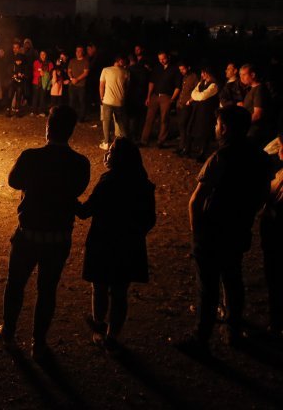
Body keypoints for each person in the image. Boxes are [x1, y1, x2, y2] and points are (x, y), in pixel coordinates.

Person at [0, 105, 90, 360]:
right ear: (71, 131)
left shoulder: (30, 157)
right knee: (47, 290)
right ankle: (38, 344)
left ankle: (9, 333)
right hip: (59, 238)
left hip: (28, 235)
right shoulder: (80, 163)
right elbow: (77, 190)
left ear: (48, 128)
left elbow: (13, 181)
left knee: (16, 284)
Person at [177, 106, 272, 355]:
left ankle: (201, 337)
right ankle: (233, 329)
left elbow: (196, 201)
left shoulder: (221, 158)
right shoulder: (260, 157)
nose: (215, 128)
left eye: (217, 124)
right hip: (239, 228)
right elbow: (263, 194)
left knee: (207, 286)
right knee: (233, 278)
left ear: (225, 128)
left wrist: (195, 233)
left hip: (212, 231)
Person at [76, 138, 156, 353]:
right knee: (120, 292)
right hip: (130, 246)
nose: (107, 155)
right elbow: (150, 219)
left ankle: (99, 324)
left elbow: (85, 211)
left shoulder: (108, 181)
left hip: (104, 243)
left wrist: (66, 197)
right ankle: (112, 336)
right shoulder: (143, 184)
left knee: (100, 285)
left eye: (111, 151)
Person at [259, 142, 283, 339]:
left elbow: (267, 195)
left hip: (276, 231)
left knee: (275, 276)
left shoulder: (280, 177)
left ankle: (277, 322)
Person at [140, 51, 181, 148]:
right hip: (154, 96)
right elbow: (151, 82)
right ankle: (144, 140)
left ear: (168, 57)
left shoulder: (175, 69)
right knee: (149, 118)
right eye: (160, 59)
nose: (162, 61)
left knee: (164, 119)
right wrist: (148, 96)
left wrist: (172, 99)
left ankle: (161, 141)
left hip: (166, 96)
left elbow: (178, 86)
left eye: (163, 58)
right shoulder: (157, 68)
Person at [181, 67, 220, 161]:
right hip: (198, 110)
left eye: (204, 73)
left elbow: (202, 96)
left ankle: (202, 153)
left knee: (204, 132)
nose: (202, 75)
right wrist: (196, 96)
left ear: (208, 74)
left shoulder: (214, 85)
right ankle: (187, 150)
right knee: (191, 128)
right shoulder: (201, 83)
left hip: (206, 112)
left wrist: (197, 96)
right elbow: (193, 93)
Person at [98, 55, 129, 150]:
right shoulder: (126, 72)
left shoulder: (106, 70)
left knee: (106, 121)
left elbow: (102, 85)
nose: (123, 63)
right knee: (120, 121)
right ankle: (126, 141)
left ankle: (106, 142)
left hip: (108, 100)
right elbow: (127, 87)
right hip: (119, 101)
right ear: (118, 61)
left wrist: (101, 97)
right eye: (122, 61)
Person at [239, 63, 271, 147]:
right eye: (240, 75)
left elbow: (257, 115)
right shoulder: (252, 89)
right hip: (251, 130)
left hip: (255, 132)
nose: (241, 77)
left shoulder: (259, 89)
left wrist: (241, 124)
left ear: (252, 75)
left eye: (244, 74)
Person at [175, 62, 199, 155]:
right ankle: (181, 147)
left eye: (183, 69)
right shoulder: (184, 77)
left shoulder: (194, 77)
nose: (181, 71)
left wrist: (190, 100)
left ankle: (186, 147)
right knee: (181, 126)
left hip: (187, 105)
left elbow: (197, 90)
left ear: (188, 67)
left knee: (184, 125)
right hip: (180, 104)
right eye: (180, 69)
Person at [126, 54, 150, 142]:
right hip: (143, 95)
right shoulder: (145, 70)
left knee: (132, 117)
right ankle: (140, 135)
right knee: (141, 117)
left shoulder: (129, 70)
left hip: (132, 96)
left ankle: (132, 136)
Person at [67, 46, 89, 122]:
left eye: (79, 51)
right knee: (72, 101)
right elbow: (69, 71)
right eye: (77, 51)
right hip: (72, 85)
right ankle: (71, 117)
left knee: (81, 102)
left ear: (82, 52)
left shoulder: (85, 61)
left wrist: (77, 79)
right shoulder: (72, 61)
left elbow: (86, 73)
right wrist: (71, 78)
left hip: (81, 86)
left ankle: (81, 118)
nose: (78, 52)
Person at [30, 50, 53, 117]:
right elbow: (34, 71)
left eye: (44, 54)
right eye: (41, 54)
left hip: (45, 83)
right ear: (39, 55)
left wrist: (45, 74)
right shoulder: (36, 62)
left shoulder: (49, 63)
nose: (42, 56)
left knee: (42, 97)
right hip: (36, 82)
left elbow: (51, 73)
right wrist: (39, 74)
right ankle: (34, 111)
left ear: (46, 55)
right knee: (35, 97)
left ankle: (41, 111)